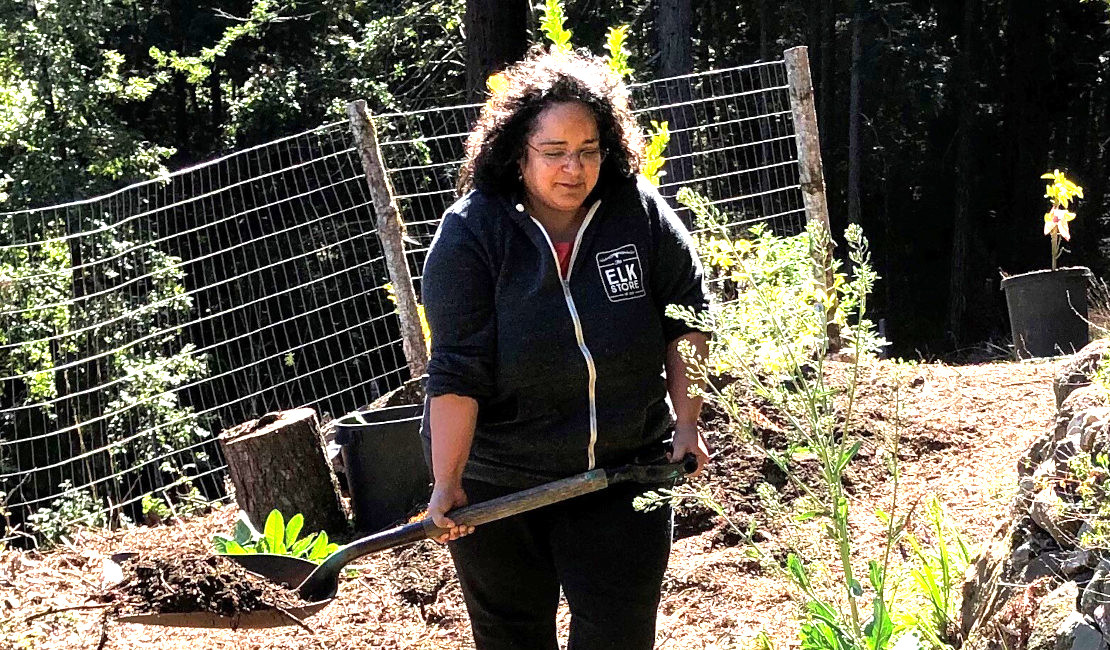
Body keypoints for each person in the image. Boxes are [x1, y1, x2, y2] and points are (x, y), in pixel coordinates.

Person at [420, 47, 711, 650]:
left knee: (618, 635)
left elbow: (686, 317)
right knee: (512, 637)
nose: (573, 169)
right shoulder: (473, 233)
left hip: (623, 469)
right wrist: (446, 482)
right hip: (500, 483)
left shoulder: (638, 212)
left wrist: (687, 421)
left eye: (588, 151)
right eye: (553, 153)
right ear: (516, 154)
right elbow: (456, 370)